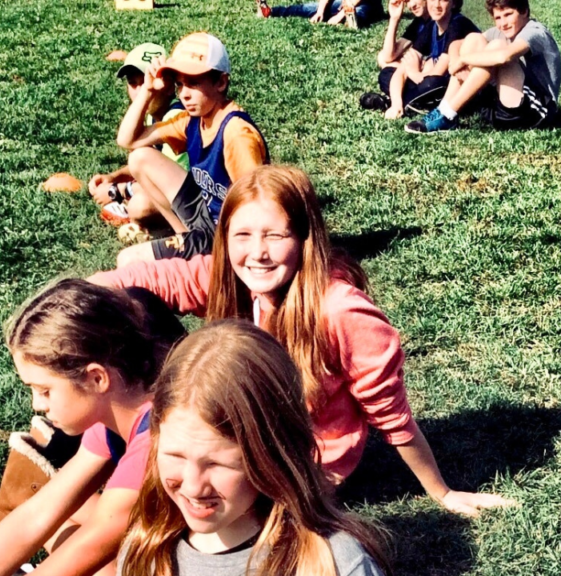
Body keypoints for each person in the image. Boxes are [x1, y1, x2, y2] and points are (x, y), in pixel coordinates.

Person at [89, 165, 516, 517]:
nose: (257, 252)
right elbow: (161, 279)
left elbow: (391, 414)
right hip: (240, 436)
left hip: (305, 465)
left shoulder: (340, 310)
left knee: (160, 494)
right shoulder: (235, 281)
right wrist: (84, 293)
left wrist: (441, 491)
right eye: (242, 236)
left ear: (304, 238)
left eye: (275, 236)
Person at [118, 320, 390, 576]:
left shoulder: (331, 563)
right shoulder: (145, 553)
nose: (192, 487)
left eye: (216, 464)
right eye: (175, 456)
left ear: (274, 454)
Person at [0, 280, 186, 576]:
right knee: (58, 520)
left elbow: (92, 546)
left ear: (96, 378)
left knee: (93, 553)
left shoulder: (158, 438)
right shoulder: (120, 411)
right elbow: (36, 516)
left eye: (45, 390)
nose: (37, 404)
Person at [113, 33, 268, 265]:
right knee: (140, 158)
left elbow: (258, 208)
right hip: (206, 218)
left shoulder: (235, 134)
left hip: (227, 236)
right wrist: (147, 91)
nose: (184, 94)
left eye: (194, 83)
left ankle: (200, 258)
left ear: (221, 82)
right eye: (180, 85)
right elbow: (128, 141)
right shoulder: (192, 120)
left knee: (128, 259)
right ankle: (184, 239)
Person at [405, 0, 561, 133]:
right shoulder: (501, 31)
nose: (503, 23)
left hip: (534, 111)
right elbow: (457, 43)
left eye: (508, 15)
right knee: (474, 39)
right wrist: (455, 61)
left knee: (496, 47)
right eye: (498, 18)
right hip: (501, 108)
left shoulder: (535, 31)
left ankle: (448, 113)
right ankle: (444, 108)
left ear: (524, 11)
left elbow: (503, 56)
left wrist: (463, 60)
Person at [89, 43, 189, 228]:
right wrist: (115, 177)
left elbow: (169, 181)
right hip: (178, 195)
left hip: (192, 198)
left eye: (146, 81)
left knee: (140, 206)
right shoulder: (153, 116)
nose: (140, 91)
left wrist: (117, 191)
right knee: (138, 160)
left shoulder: (176, 116)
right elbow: (151, 164)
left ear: (168, 86)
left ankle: (177, 232)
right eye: (133, 84)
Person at [362, 0, 478, 118]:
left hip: (461, 89)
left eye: (443, 0)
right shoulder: (432, 25)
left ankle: (390, 102)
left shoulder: (457, 24)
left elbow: (436, 75)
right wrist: (396, 105)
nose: (436, 5)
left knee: (431, 84)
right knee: (386, 74)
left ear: (453, 4)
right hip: (429, 84)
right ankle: (403, 104)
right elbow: (401, 71)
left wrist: (413, 72)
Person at [259, 0, 385, 29]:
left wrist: (340, 15)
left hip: (368, 4)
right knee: (310, 8)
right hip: (344, 1)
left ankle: (351, 21)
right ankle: (271, 11)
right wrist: (320, 11)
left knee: (360, 13)